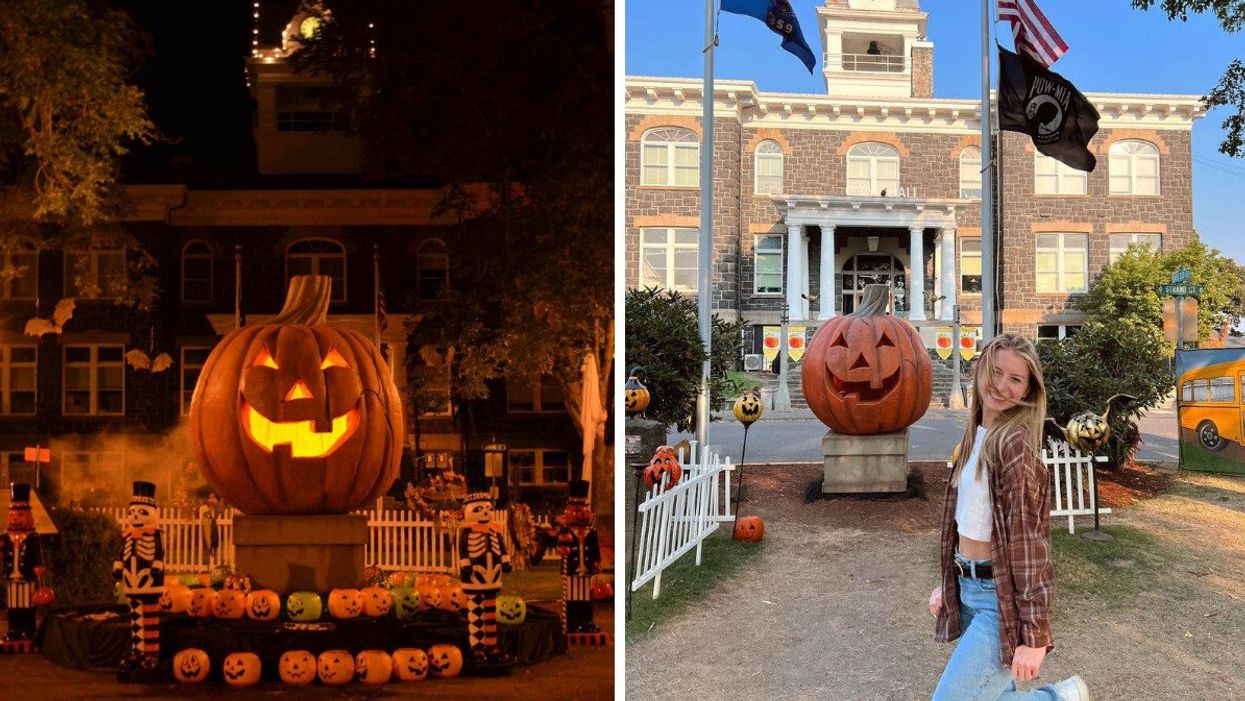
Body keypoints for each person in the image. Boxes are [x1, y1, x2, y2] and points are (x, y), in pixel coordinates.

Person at [928, 332, 1088, 701]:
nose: (1001, 386)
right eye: (996, 372)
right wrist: (948, 582)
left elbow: (1031, 546)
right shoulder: (977, 435)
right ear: (982, 368)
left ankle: (1057, 698)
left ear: (1029, 391)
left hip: (998, 601)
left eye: (1015, 379)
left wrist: (1033, 635)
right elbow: (964, 522)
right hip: (969, 586)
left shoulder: (1014, 446)